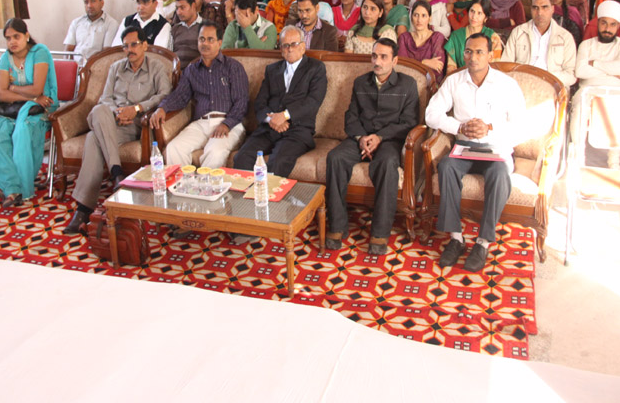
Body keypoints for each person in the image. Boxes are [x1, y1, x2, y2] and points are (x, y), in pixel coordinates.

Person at [427, 32, 526, 272]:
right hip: (465, 147)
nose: (473, 57)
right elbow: (431, 114)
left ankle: (483, 242)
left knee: (499, 174)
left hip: (495, 147)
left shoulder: (506, 84)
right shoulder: (454, 81)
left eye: (480, 52)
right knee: (446, 167)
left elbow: (521, 125)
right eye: (469, 52)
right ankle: (456, 238)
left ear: (490, 55)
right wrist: (458, 127)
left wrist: (489, 128)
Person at [64, 26, 172, 233]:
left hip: (136, 125)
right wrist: (117, 112)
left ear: (145, 45)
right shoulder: (116, 68)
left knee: (93, 138)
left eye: (134, 45)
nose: (129, 50)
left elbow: (164, 95)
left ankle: (83, 209)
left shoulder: (156, 67)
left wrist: (136, 109)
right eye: (125, 46)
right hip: (112, 121)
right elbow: (105, 99)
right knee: (99, 111)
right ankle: (117, 173)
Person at [325, 38, 419, 256]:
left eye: (384, 57)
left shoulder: (408, 84)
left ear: (395, 60)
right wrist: (361, 138)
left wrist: (380, 137)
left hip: (389, 140)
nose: (377, 61)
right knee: (335, 158)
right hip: (360, 138)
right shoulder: (360, 82)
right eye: (374, 56)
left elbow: (409, 122)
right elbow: (351, 116)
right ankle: (337, 225)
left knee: (386, 164)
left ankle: (380, 232)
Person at [233, 25, 327, 178]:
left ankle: (269, 194)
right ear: (281, 49)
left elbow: (313, 102)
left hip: (297, 131)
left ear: (303, 47)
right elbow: (260, 103)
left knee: (277, 163)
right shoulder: (272, 70)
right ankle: (246, 194)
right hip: (269, 128)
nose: (289, 49)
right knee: (241, 158)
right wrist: (272, 119)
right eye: (285, 45)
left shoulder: (316, 68)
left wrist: (285, 115)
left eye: (294, 44)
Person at [151, 22, 249, 168]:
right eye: (202, 39)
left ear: (219, 43)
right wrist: (162, 108)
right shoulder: (192, 70)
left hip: (229, 122)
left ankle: (207, 184)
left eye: (210, 39)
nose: (205, 43)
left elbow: (241, 102)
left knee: (215, 151)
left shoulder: (233, 67)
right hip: (201, 123)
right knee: (174, 148)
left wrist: (226, 124)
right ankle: (183, 183)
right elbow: (180, 96)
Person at [0, 18, 59, 207]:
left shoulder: (40, 52)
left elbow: (38, 89)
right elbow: (1, 94)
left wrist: (13, 88)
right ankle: (11, 187)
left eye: (16, 36)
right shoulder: (6, 58)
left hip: (41, 108)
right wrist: (30, 97)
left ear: (26, 36)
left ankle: (20, 187)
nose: (12, 42)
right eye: (8, 38)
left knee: (23, 130)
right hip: (16, 109)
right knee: (0, 131)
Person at [571, 0, 620, 169]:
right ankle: (579, 157)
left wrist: (594, 63)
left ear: (618, 26)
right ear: (597, 23)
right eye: (604, 23)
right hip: (588, 90)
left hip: (616, 91)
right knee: (579, 110)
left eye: (612, 25)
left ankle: (614, 161)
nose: (607, 28)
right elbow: (580, 71)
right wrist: (610, 71)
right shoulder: (586, 45)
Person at [501, 0, 577, 88]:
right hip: (521, 85)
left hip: (552, 87)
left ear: (552, 9)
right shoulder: (519, 32)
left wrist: (548, 79)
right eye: (535, 8)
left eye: (544, 7)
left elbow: (571, 74)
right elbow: (505, 66)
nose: (539, 13)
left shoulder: (565, 37)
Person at [444, 0, 502, 74]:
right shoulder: (456, 36)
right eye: (472, 11)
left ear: (486, 18)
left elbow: (495, 68)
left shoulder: (493, 38)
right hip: (460, 79)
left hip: (486, 79)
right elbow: (451, 68)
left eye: (479, 13)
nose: (474, 17)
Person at [63, 0, 119, 65]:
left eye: (93, 1)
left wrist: (88, 68)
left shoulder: (111, 23)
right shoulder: (76, 22)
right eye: (86, 2)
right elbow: (68, 50)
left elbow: (106, 53)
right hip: (76, 67)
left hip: (96, 68)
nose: (89, 5)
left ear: (102, 3)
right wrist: (67, 67)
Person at [398, 0, 446, 84]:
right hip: (406, 85)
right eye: (416, 15)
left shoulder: (437, 37)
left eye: (423, 16)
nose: (419, 20)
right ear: (411, 17)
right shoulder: (404, 38)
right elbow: (402, 68)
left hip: (429, 86)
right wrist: (424, 62)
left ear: (429, 18)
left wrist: (412, 65)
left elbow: (437, 69)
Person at [170, 0, 203, 69]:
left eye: (182, 8)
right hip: (177, 72)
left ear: (193, 6)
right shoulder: (175, 29)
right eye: (177, 8)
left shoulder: (205, 27)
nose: (178, 12)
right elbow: (169, 54)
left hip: (198, 71)